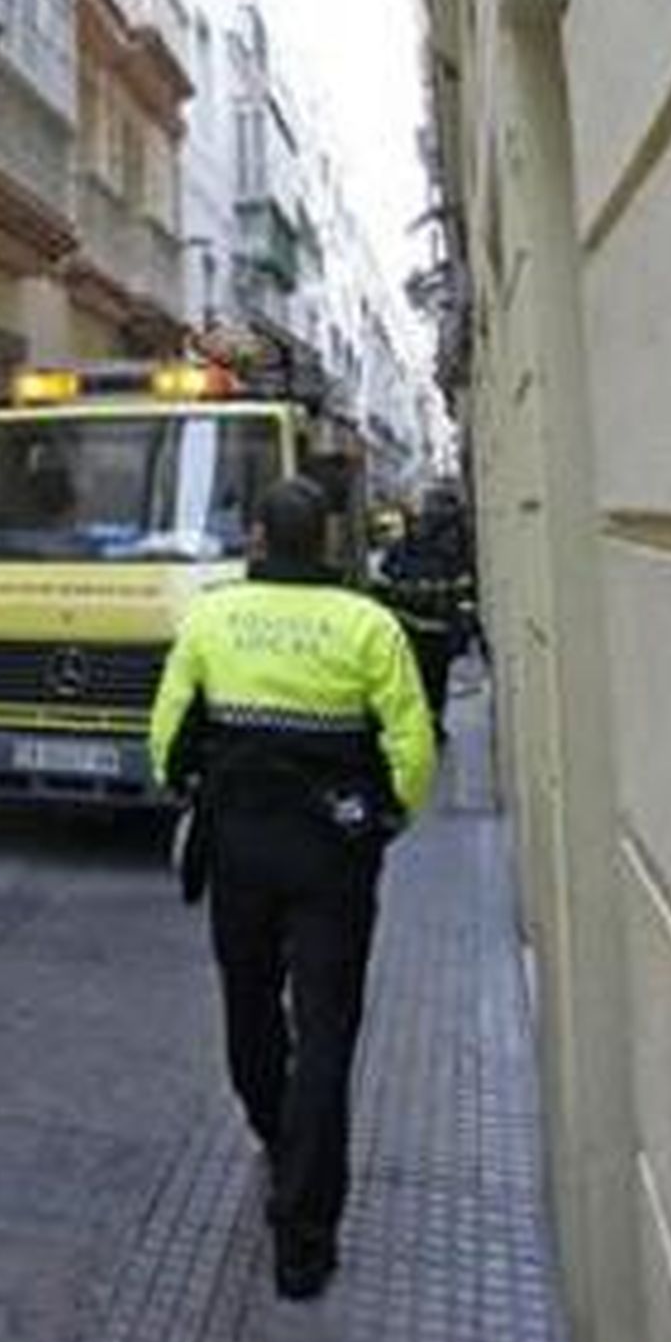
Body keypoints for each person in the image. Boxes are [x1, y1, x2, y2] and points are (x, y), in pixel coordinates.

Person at [149, 477, 436, 1300]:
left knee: (248, 999)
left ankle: (273, 1124)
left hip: (241, 847)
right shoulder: (369, 625)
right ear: (326, 542)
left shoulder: (213, 616)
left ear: (259, 542)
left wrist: (186, 786)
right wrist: (386, 820)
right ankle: (304, 1241)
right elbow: (412, 747)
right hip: (333, 859)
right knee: (328, 1029)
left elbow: (168, 737)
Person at [374, 482, 476, 746]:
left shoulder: (408, 548)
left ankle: (424, 724)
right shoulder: (454, 544)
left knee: (416, 682)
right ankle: (431, 724)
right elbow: (464, 588)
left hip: (412, 629)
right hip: (433, 630)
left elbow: (384, 585)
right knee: (434, 682)